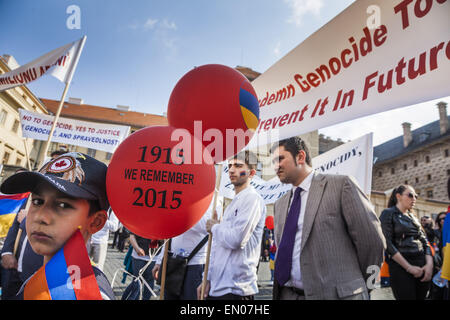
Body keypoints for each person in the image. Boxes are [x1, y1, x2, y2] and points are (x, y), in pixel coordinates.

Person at [270, 137, 385, 300]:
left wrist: (361, 286)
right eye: (273, 162)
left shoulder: (340, 185)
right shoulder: (279, 204)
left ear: (300, 157)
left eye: (280, 159)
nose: (276, 166)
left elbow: (372, 242)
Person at [0, 152, 115, 299]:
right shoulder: (39, 279)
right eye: (37, 202)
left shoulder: (86, 293)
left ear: (96, 222)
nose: (41, 217)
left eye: (63, 205)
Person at [197, 150, 266, 300]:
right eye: (230, 166)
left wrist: (214, 227)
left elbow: (236, 240)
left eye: (238, 165)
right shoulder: (231, 205)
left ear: (252, 173)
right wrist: (207, 278)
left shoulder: (252, 199)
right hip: (217, 287)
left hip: (237, 289)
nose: (232, 170)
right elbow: (217, 246)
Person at [153, 201, 218, 300]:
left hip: (195, 265)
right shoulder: (180, 191)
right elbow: (169, 231)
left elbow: (208, 227)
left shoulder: (214, 197)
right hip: (172, 261)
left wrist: (183, 209)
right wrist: (160, 259)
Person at [379, 185, 433, 300]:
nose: (414, 199)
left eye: (416, 196)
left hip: (422, 265)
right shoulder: (388, 213)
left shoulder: (413, 217)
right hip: (401, 266)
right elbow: (387, 244)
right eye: (410, 195)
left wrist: (429, 264)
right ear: (398, 196)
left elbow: (425, 241)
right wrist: (408, 267)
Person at [129, 233, 158, 300]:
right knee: (137, 280)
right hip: (138, 256)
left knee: (150, 281)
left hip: (154, 256)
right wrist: (137, 248)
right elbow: (132, 235)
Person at [430, 211, 447, 299]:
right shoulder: (435, 233)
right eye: (440, 219)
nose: (442, 221)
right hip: (438, 267)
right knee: (437, 292)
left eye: (444, 218)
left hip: (447, 266)